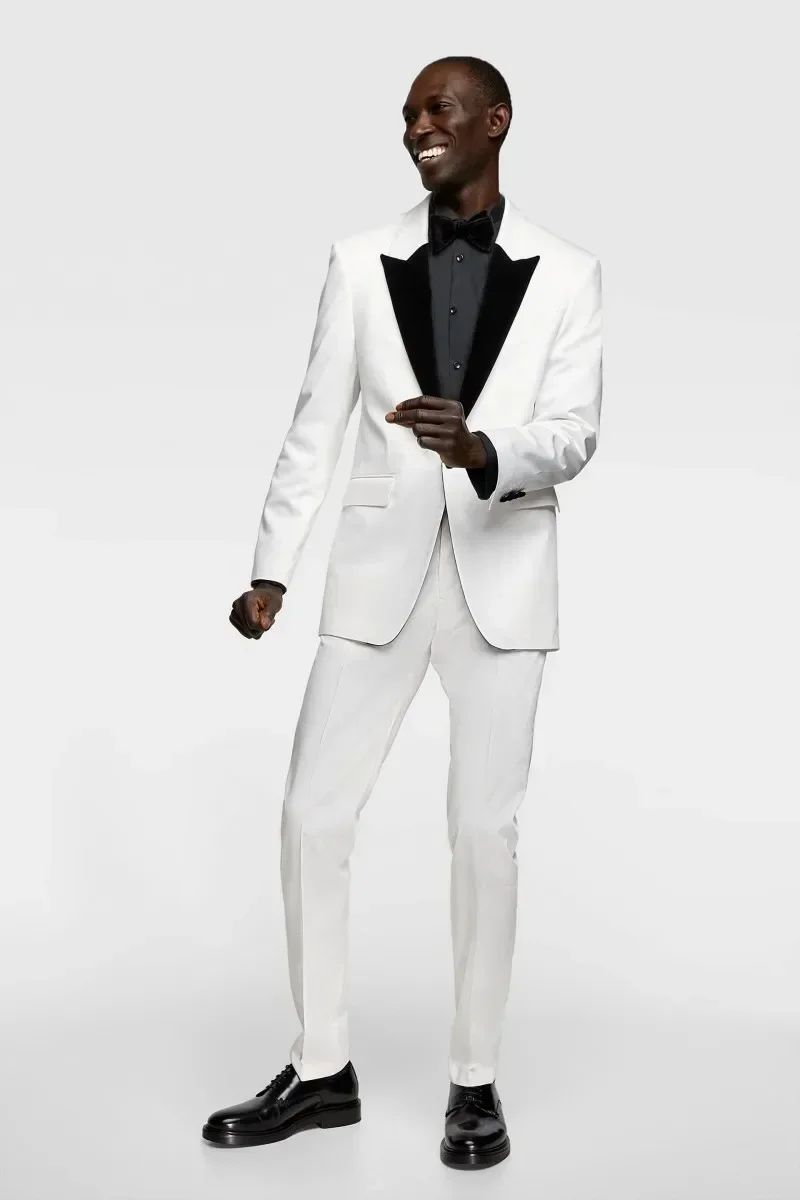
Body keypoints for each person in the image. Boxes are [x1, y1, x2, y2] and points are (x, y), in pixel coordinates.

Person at [202, 54, 603, 1170]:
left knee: (482, 836)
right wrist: (272, 568)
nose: (419, 127)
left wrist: (483, 449)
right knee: (311, 815)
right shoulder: (355, 260)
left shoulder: (570, 273)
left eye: (440, 109)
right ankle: (321, 1068)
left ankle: (473, 1083)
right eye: (410, 114)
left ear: (495, 121)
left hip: (502, 575)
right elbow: (314, 422)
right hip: (374, 573)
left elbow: (574, 430)